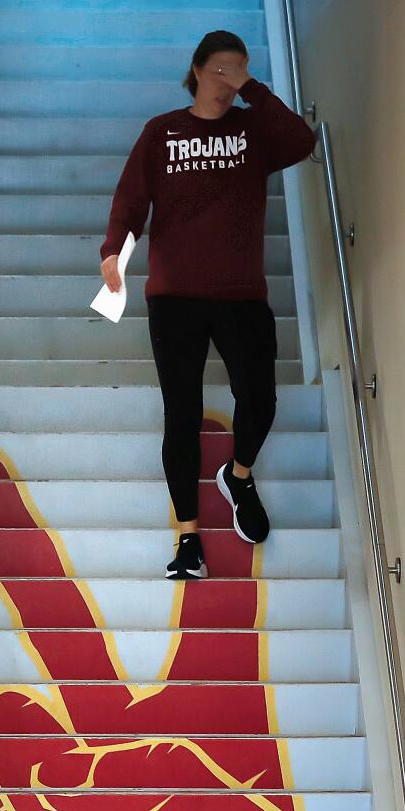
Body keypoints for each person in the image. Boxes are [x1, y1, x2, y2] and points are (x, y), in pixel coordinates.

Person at [100, 31, 316, 579]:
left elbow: (301, 142)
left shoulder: (253, 132)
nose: (229, 79)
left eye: (238, 69)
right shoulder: (162, 133)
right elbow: (130, 203)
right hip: (174, 297)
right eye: (221, 68)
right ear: (196, 70)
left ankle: (238, 477)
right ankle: (188, 539)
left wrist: (255, 91)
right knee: (182, 416)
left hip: (241, 294)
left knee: (260, 398)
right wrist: (114, 257)